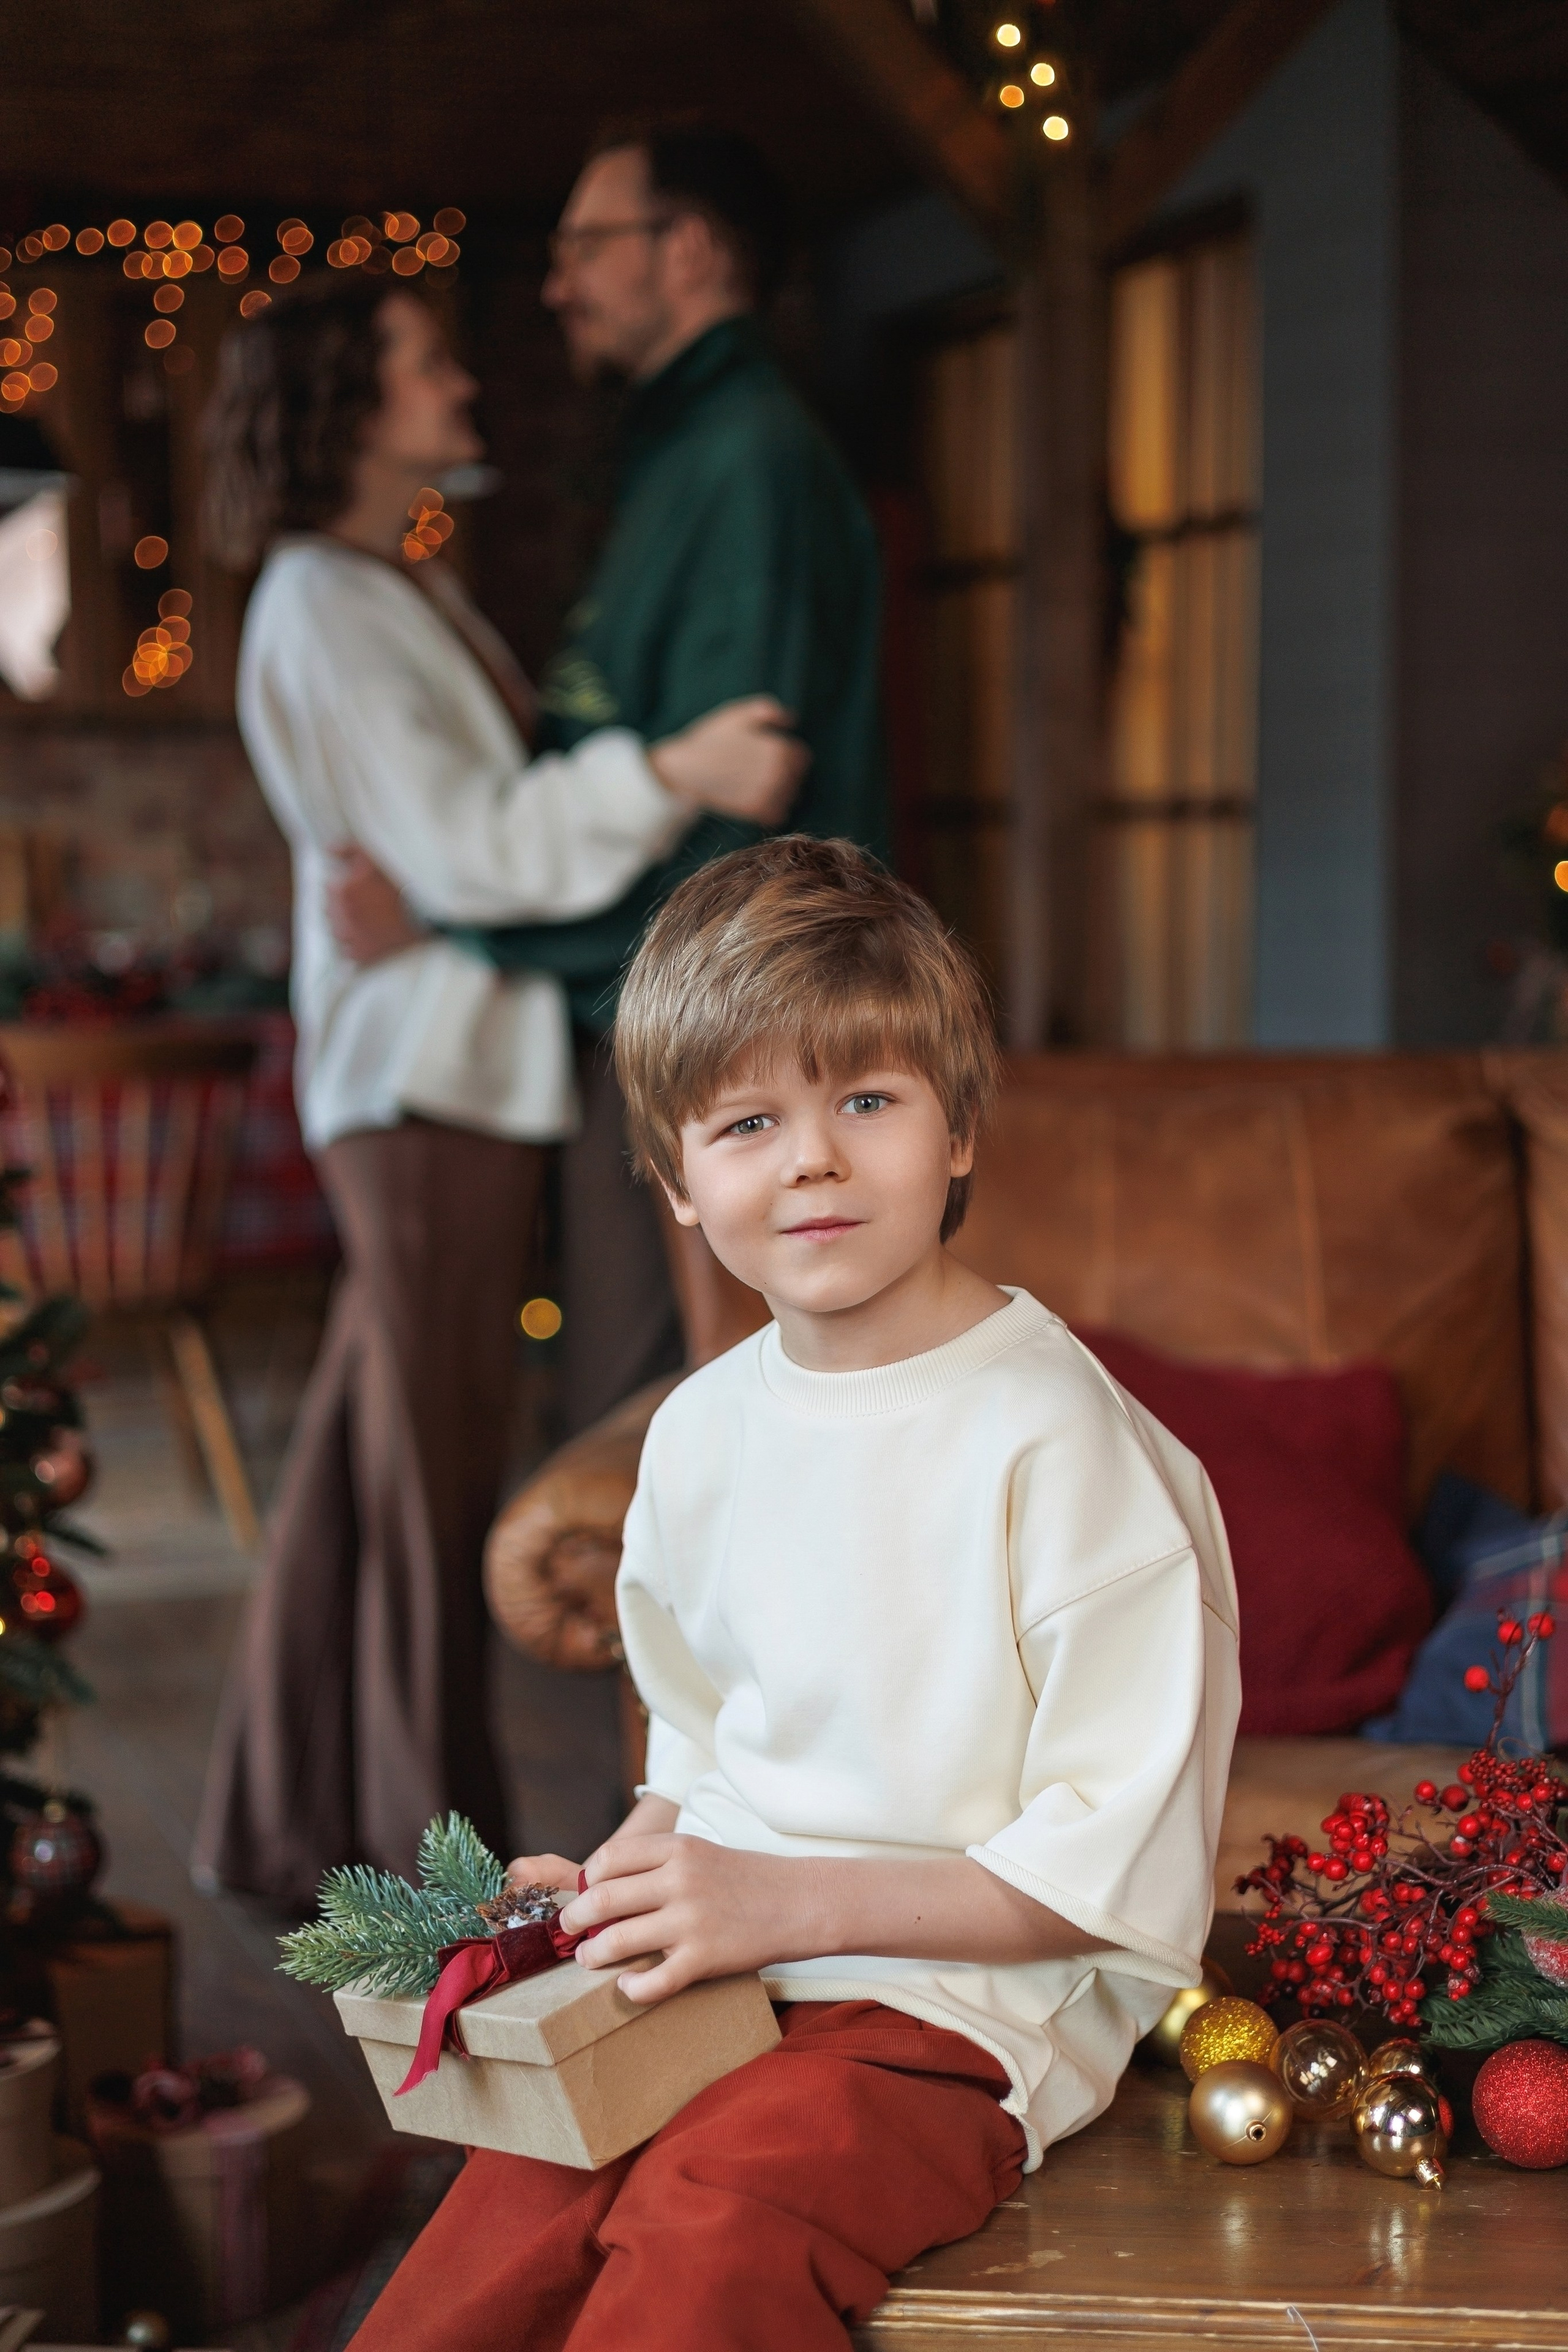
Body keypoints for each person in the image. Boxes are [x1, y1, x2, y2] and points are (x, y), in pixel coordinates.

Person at [350, 837, 1242, 2352]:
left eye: (866, 1102)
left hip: (959, 2010)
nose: (812, 1157)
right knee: (495, 2239)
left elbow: (1120, 1873)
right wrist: (638, 1869)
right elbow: (702, 1755)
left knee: (709, 2227)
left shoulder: (1062, 1444)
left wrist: (775, 1902)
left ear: (957, 1129)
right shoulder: (697, 1435)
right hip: (728, 1964)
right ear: (677, 1185)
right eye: (749, 1119)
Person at [191, 276, 806, 1909]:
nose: (464, 381)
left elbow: (454, 844)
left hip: (444, 1080)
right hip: (421, 1097)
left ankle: (275, 1820)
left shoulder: (386, 588)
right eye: (426, 360)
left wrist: (458, 872)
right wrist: (677, 773)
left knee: (363, 1469)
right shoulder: (326, 602)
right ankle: (432, 1867)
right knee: (431, 1482)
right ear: (349, 400)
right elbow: (476, 844)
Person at [328, 121, 888, 1436]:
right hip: (671, 1022)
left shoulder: (742, 458)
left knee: (658, 1425)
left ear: (685, 252)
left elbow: (731, 817)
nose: (554, 281)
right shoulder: (680, 453)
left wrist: (463, 919)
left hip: (727, 1037)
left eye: (587, 245)